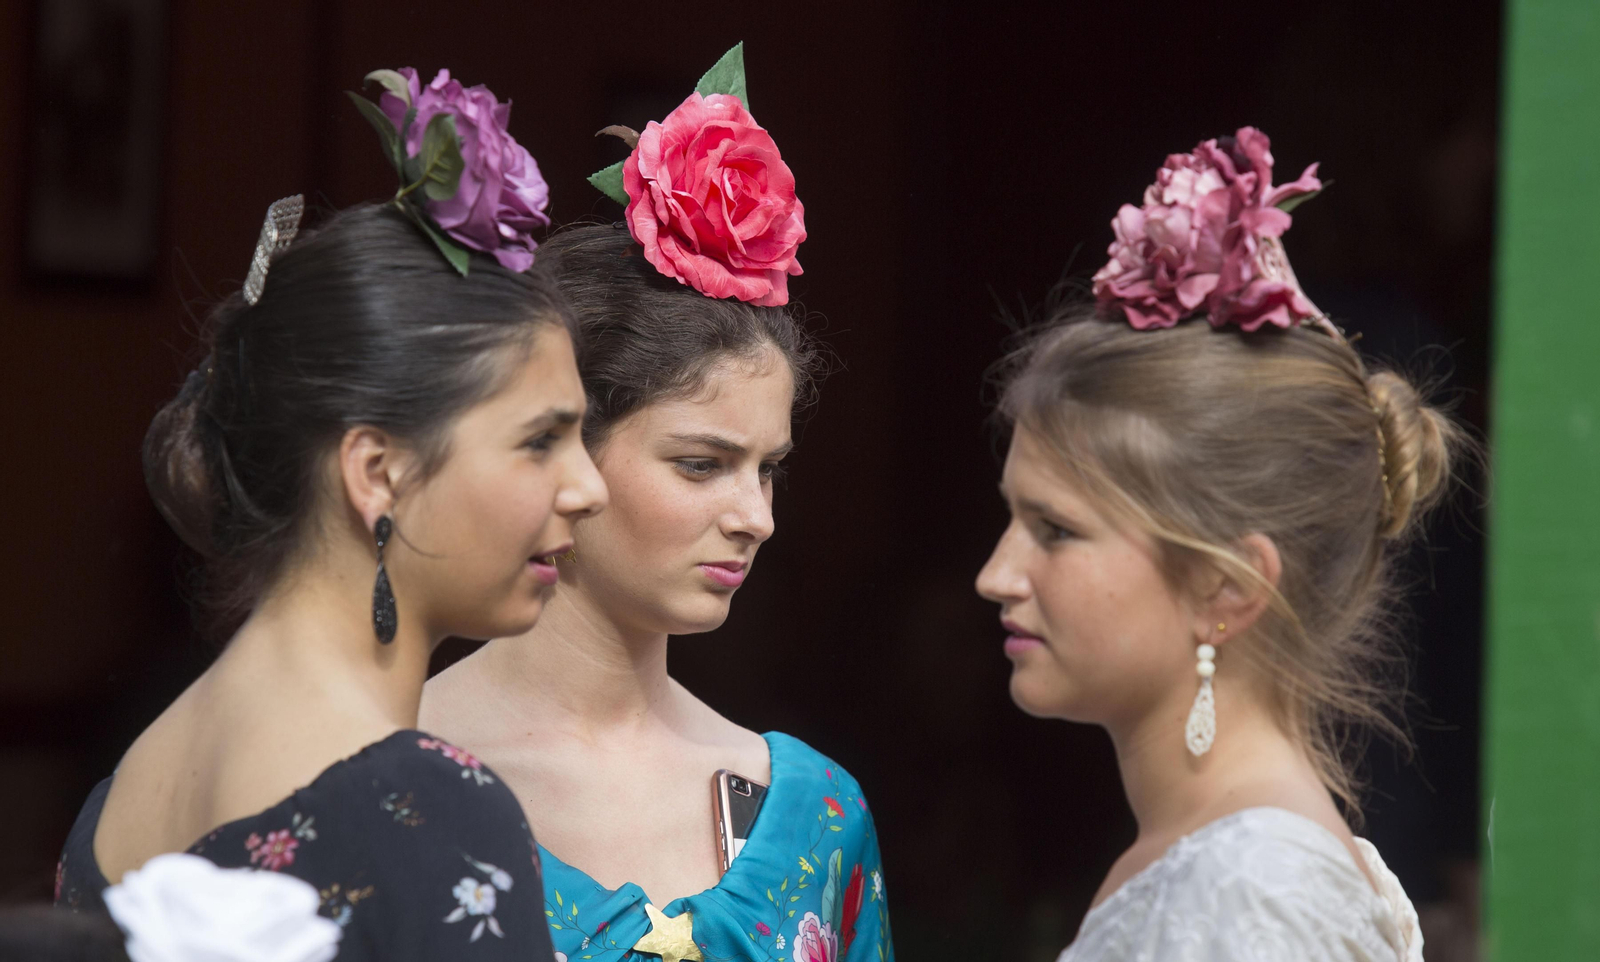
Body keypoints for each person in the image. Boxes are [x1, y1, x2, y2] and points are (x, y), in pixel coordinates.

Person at [56, 68, 607, 962]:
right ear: (377, 472)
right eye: (541, 441)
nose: (591, 487)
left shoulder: (122, 795)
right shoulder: (428, 806)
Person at [422, 45, 894, 962]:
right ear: (559, 450)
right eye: (700, 464)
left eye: (768, 470)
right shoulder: (384, 778)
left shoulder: (814, 816)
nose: (755, 515)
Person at [976, 128, 1460, 961]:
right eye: (1014, 518)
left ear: (1225, 588)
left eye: (1057, 529)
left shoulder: (1252, 896)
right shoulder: (1222, 863)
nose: (996, 575)